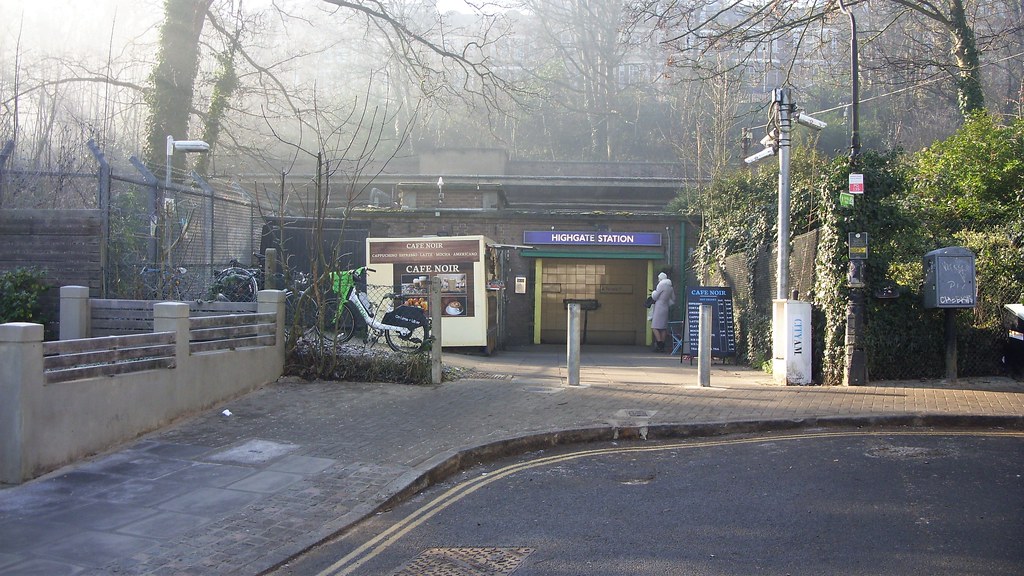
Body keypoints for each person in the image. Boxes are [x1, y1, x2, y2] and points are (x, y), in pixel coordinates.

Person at [650, 270, 675, 352]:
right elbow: (673, 298)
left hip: (659, 307)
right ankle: (663, 345)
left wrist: (653, 292)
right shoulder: (670, 287)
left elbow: (655, 296)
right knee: (663, 327)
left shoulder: (660, 285)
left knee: (654, 326)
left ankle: (659, 344)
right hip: (665, 307)